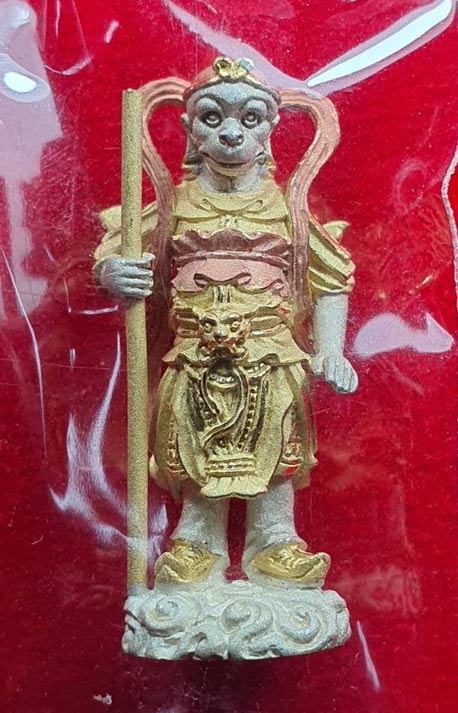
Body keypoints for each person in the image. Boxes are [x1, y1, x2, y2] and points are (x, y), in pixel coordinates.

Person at [94, 57, 358, 588]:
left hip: (271, 350)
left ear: (270, 128)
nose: (232, 133)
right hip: (194, 353)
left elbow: (332, 276)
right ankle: (198, 541)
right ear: (189, 128)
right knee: (194, 441)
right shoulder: (172, 206)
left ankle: (274, 539)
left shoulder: (289, 210)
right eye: (213, 118)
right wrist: (114, 274)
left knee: (277, 439)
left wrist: (331, 348)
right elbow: (115, 254)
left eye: (249, 118)